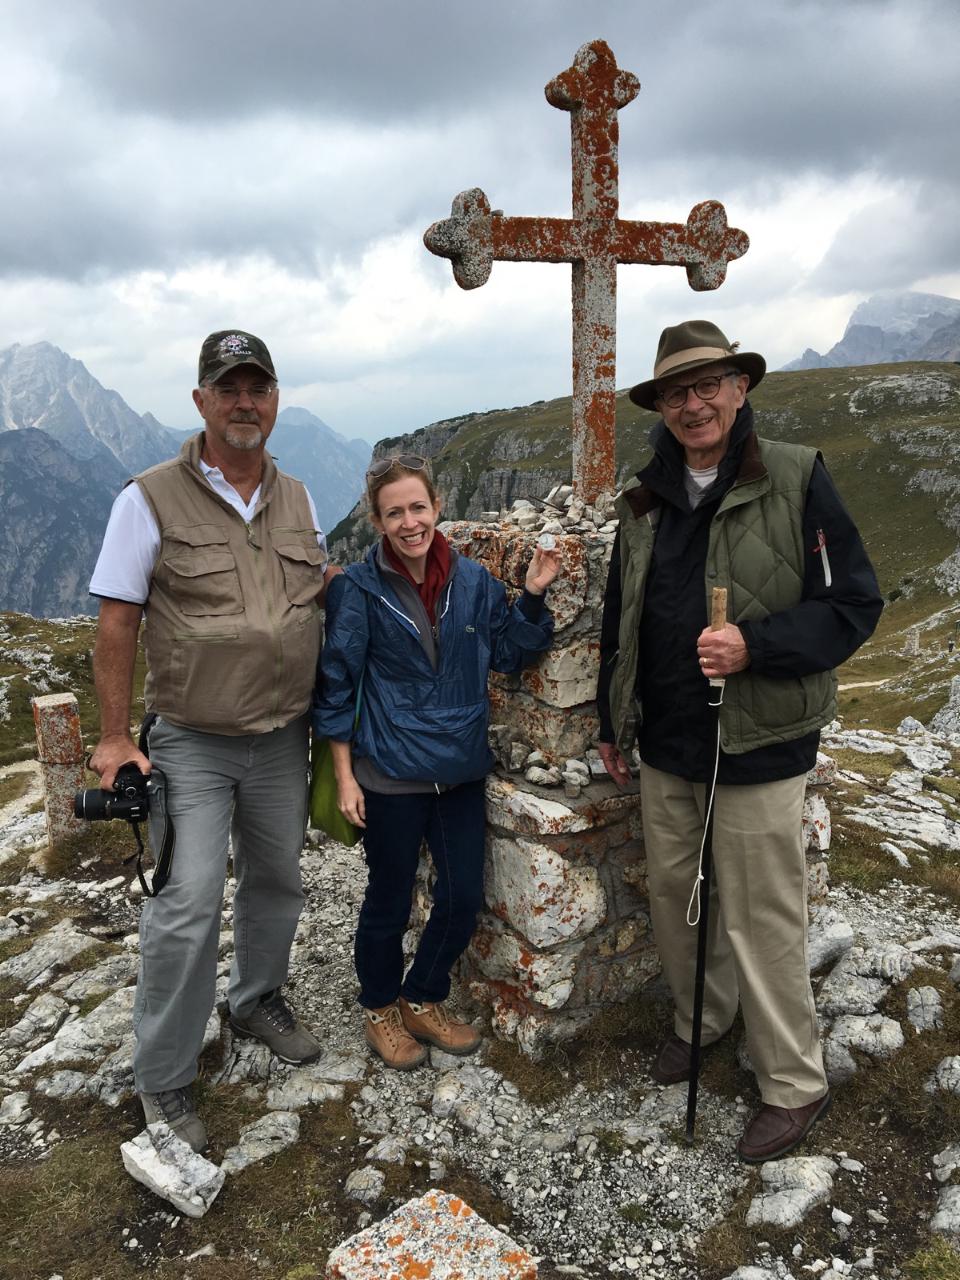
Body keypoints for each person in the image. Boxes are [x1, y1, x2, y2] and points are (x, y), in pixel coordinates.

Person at [596, 320, 883, 1163]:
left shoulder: (795, 476)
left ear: (740, 387)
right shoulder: (645, 496)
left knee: (762, 917)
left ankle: (794, 1084)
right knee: (677, 906)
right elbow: (624, 614)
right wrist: (616, 721)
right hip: (670, 743)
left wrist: (756, 644)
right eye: (676, 393)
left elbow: (853, 606)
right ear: (661, 405)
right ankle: (702, 1022)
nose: (694, 405)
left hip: (759, 745)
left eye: (709, 385)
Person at [88, 330, 338, 1152]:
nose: (244, 403)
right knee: (186, 904)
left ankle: (255, 998)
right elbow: (118, 618)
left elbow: (313, 603)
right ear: (200, 400)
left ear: (274, 399)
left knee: (275, 880)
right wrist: (117, 735)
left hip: (281, 737)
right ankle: (163, 1078)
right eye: (227, 388)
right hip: (191, 741)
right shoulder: (150, 496)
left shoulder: (297, 497)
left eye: (257, 388)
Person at [314, 456, 559, 1069]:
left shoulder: (474, 582)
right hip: (390, 774)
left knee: (460, 897)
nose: (409, 522)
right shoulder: (358, 590)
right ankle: (378, 1008)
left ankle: (421, 997)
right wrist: (345, 777)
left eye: (417, 508)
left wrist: (530, 595)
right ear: (376, 521)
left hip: (459, 769)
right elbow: (337, 684)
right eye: (394, 512)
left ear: (437, 508)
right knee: (390, 899)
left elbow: (506, 653)